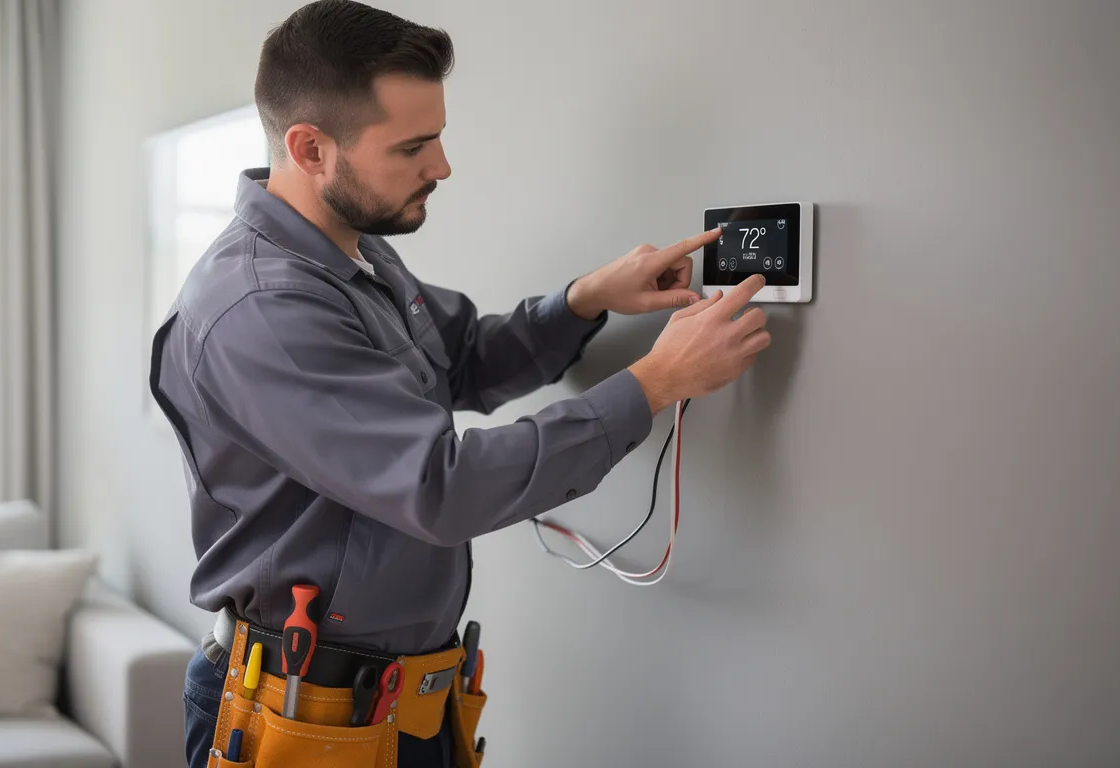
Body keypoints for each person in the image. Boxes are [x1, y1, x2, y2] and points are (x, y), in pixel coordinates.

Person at [148, 1, 770, 766]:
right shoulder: (263, 308)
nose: (441, 166)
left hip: (404, 707)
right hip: (303, 722)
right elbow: (438, 489)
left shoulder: (355, 254)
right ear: (311, 148)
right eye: (413, 147)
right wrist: (651, 383)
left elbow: (466, 356)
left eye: (437, 136)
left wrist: (588, 297)